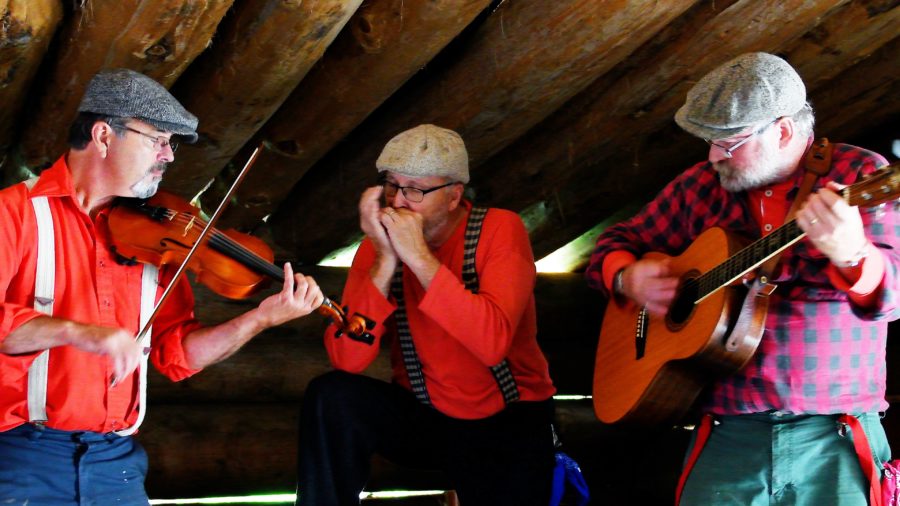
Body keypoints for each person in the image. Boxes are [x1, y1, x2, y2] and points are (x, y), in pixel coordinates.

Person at [586, 51, 900, 504]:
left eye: (728, 142)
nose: (713, 156)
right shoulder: (700, 186)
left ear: (784, 131)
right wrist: (625, 277)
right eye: (709, 141)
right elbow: (616, 242)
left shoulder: (860, 176)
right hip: (726, 435)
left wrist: (854, 254)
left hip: (835, 434)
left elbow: (893, 296)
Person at [0, 68, 325, 505]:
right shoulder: (14, 214)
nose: (169, 156)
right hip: (20, 458)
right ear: (102, 135)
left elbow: (178, 354)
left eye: (171, 144)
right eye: (158, 140)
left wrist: (259, 319)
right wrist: (81, 332)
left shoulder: (155, 236)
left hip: (117, 463)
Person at [297, 124, 558, 506]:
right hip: (427, 417)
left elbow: (491, 344)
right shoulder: (376, 250)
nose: (399, 202)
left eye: (416, 190)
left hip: (509, 420)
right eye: (391, 186)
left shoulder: (499, 228)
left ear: (453, 196)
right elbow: (346, 359)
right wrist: (386, 259)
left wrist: (418, 256)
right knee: (332, 396)